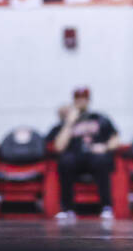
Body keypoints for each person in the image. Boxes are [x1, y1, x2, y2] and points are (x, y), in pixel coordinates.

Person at [47, 87, 120, 222]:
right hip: (74, 157)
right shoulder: (66, 121)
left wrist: (104, 147)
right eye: (78, 99)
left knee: (102, 160)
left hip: (94, 156)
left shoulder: (100, 118)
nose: (81, 102)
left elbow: (116, 138)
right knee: (65, 162)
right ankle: (67, 209)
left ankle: (106, 207)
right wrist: (69, 122)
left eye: (84, 99)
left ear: (88, 100)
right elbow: (59, 146)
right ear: (74, 101)